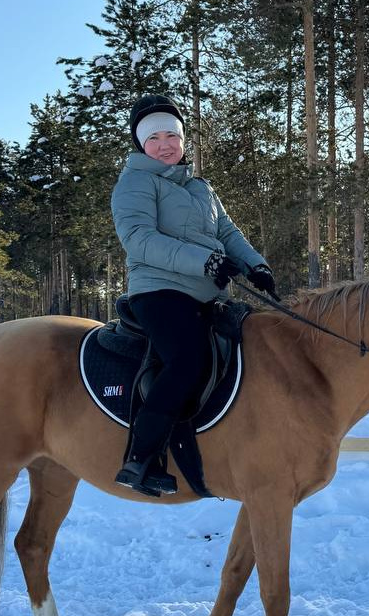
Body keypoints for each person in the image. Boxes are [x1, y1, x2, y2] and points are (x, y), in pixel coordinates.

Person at [110, 94, 275, 497]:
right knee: (187, 360)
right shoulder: (135, 183)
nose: (165, 144)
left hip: (205, 292)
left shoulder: (201, 187)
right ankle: (141, 458)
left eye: (173, 135)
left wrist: (257, 265)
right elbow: (139, 240)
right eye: (154, 137)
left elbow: (227, 234)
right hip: (159, 290)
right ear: (140, 143)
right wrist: (206, 262)